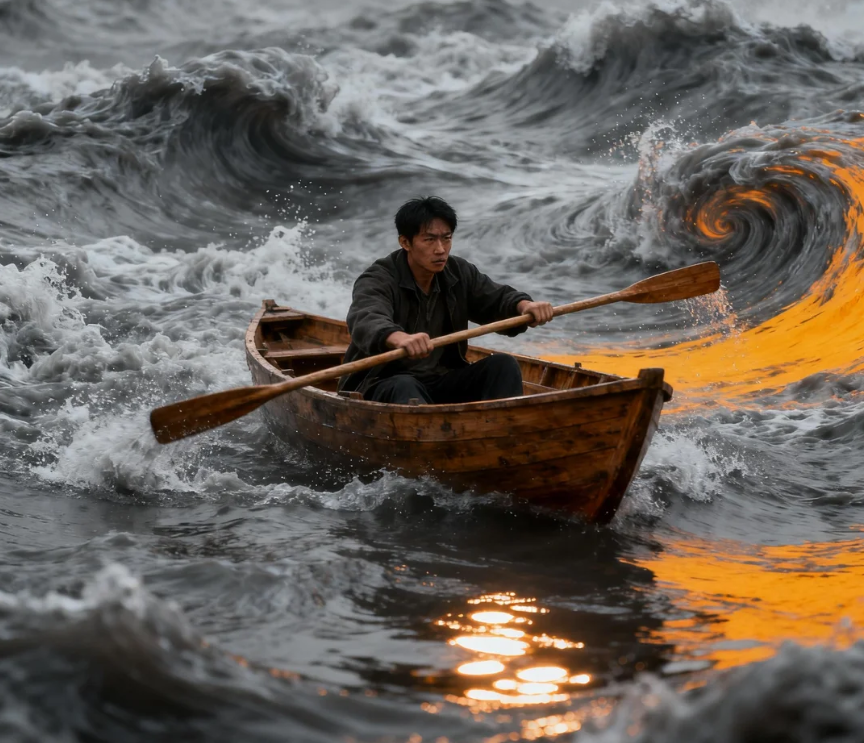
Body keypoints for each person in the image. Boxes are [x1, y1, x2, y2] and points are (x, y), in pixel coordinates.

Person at [338, 196, 554, 404]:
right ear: (405, 242)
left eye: (447, 238)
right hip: (380, 382)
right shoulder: (378, 278)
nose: (440, 249)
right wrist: (399, 338)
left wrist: (526, 306)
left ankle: (499, 429)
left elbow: (495, 298)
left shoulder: (458, 271)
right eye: (429, 239)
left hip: (441, 380)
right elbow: (366, 318)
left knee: (503, 365)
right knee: (404, 385)